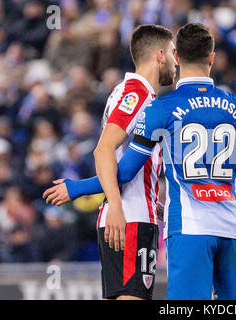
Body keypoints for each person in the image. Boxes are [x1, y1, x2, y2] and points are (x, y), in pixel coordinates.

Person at [43, 23, 236, 300]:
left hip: (189, 226)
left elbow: (123, 171)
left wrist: (79, 188)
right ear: (212, 59)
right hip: (231, 226)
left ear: (176, 57)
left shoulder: (160, 109)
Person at [44, 24, 176, 300]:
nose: (177, 62)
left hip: (131, 214)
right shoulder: (137, 94)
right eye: (174, 53)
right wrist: (114, 205)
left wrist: (157, 205)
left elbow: (128, 165)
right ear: (160, 55)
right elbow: (103, 150)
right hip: (130, 218)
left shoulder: (128, 92)